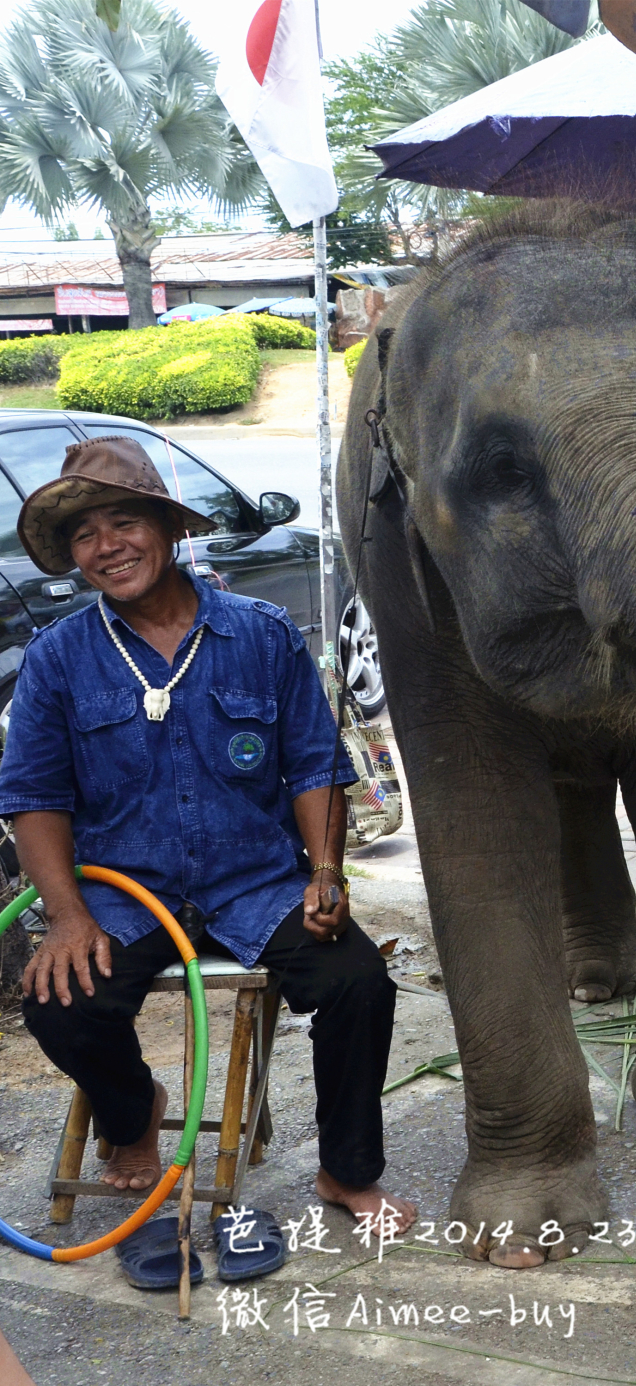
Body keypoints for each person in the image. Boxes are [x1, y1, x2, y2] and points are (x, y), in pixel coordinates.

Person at [0, 437, 417, 1268]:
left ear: (167, 526)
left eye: (124, 522)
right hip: (126, 891)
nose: (106, 546)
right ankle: (133, 1118)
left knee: (358, 985)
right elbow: (33, 800)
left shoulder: (257, 634)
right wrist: (69, 918)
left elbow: (313, 766)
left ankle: (346, 1171)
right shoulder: (58, 659)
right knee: (59, 1003)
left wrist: (325, 875)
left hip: (255, 883)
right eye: (84, 535)